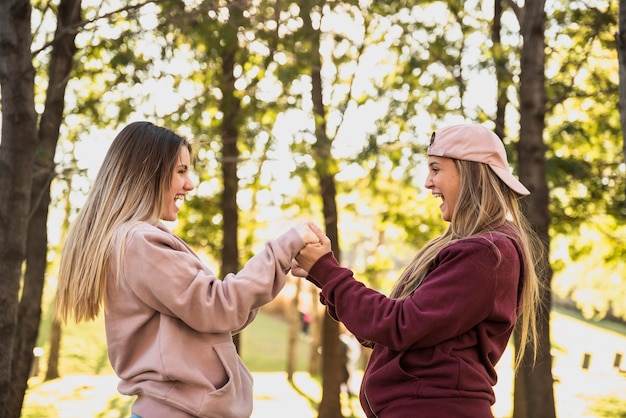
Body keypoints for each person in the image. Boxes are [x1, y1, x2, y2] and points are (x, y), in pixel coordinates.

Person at [54, 121, 319, 418]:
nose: (190, 184)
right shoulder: (140, 242)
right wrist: (285, 246)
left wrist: (277, 267)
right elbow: (219, 306)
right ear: (148, 172)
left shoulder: (136, 241)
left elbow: (216, 317)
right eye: (181, 171)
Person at [292, 122, 541, 417]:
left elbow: (400, 325)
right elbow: (387, 331)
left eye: (436, 169)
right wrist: (322, 274)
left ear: (471, 173)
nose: (427, 182)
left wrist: (328, 272)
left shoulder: (487, 254)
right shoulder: (473, 249)